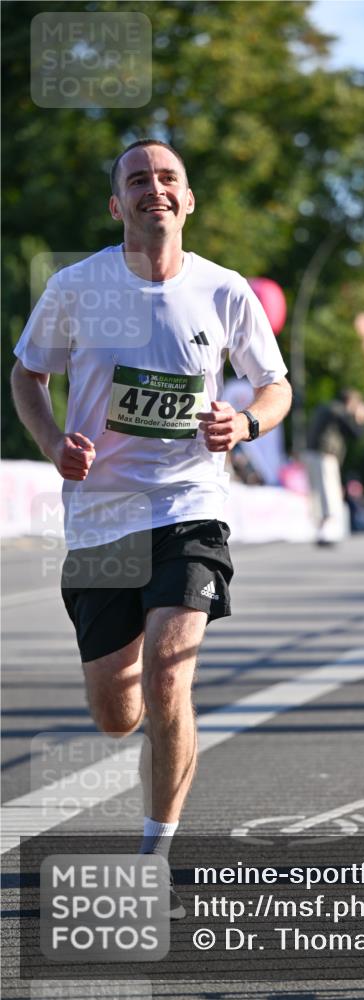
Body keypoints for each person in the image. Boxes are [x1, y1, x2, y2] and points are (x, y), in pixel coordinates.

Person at [11, 139, 292, 916]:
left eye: (167, 178)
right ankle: (130, 714)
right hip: (101, 519)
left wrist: (247, 422)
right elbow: (27, 373)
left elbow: (275, 386)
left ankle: (154, 849)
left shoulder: (224, 290)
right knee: (117, 715)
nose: (154, 190)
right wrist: (50, 442)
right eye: (138, 180)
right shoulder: (77, 286)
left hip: (188, 507)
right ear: (117, 204)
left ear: (188, 199)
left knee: (171, 671)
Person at [303, 389, 364, 545]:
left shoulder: (327, 408)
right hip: (324, 455)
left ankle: (321, 530)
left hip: (313, 453)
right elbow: (356, 434)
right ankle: (327, 531)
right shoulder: (338, 411)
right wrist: (361, 418)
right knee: (329, 492)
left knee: (318, 493)